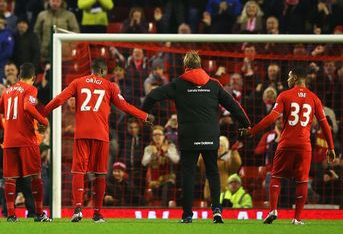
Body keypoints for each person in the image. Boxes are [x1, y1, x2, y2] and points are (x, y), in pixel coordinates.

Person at [142, 51, 251, 224]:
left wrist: (144, 114)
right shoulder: (214, 85)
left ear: (185, 67)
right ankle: (217, 211)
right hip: (210, 135)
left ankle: (187, 215)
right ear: (201, 66)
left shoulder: (178, 84)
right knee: (213, 172)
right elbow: (233, 105)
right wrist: (246, 123)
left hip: (189, 136)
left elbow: (152, 96)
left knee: (188, 175)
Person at [41, 59, 153, 223]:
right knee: (100, 173)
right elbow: (125, 106)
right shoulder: (109, 85)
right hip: (101, 134)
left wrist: (43, 113)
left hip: (82, 134)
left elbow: (59, 99)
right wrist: (143, 116)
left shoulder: (78, 82)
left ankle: (78, 209)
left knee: (79, 171)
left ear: (92, 70)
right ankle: (97, 214)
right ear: (103, 72)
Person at [241, 65, 336, 225]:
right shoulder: (314, 98)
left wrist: (252, 131)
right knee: (302, 180)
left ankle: (273, 210)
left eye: (289, 76)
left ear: (296, 78)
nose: (287, 79)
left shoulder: (285, 95)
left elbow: (271, 118)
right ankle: (297, 218)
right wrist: (331, 148)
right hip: (304, 146)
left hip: (285, 143)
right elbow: (325, 126)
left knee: (276, 176)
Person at [0, 63, 51, 222]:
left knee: (10, 179)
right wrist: (43, 120)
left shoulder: (7, 91)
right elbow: (27, 106)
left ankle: (11, 215)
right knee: (35, 176)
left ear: (18, 76)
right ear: (34, 78)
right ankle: (39, 213)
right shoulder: (31, 89)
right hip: (26, 140)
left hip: (10, 141)